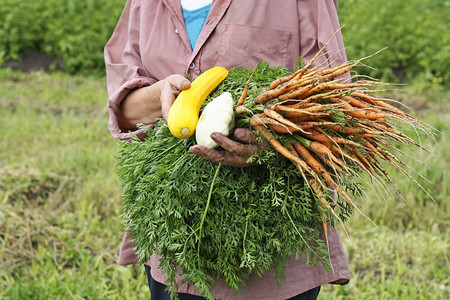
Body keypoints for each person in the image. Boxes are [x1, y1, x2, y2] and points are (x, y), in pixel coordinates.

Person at [104, 0, 350, 299]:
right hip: (171, 236)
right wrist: (160, 95)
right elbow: (125, 112)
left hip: (270, 243)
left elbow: (336, 109)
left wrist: (269, 148)